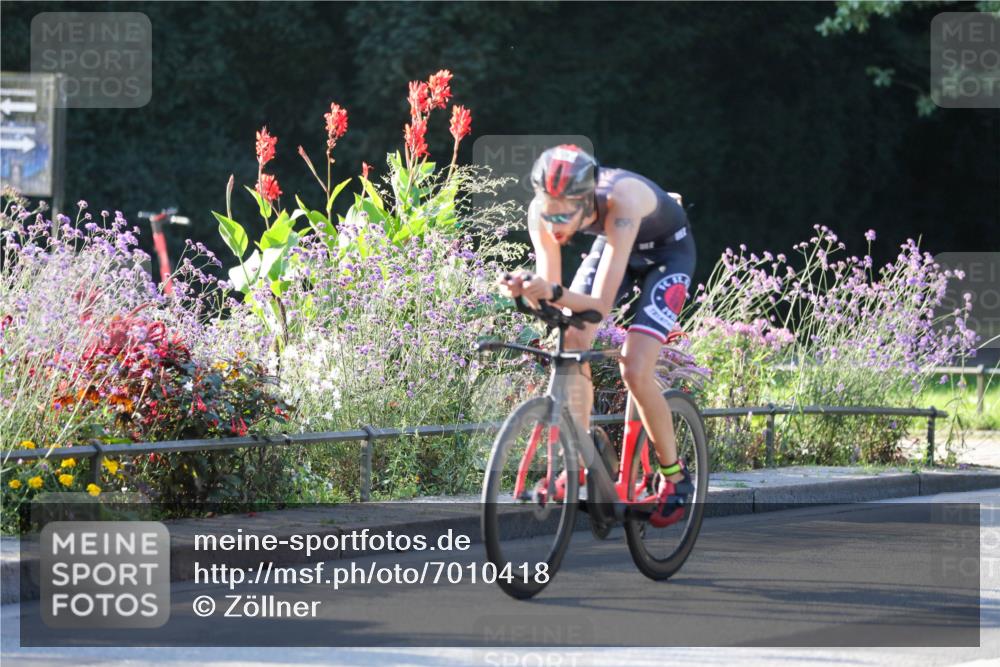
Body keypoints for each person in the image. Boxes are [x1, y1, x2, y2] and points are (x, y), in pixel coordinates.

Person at [499, 144, 696, 527]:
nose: (554, 224)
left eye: (565, 213)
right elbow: (554, 294)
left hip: (667, 254)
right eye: (548, 209)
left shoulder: (619, 201)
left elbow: (599, 304)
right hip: (614, 243)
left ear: (587, 200)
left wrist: (550, 291)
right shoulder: (542, 212)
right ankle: (583, 458)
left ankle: (675, 478)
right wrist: (527, 288)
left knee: (634, 368)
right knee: (572, 339)